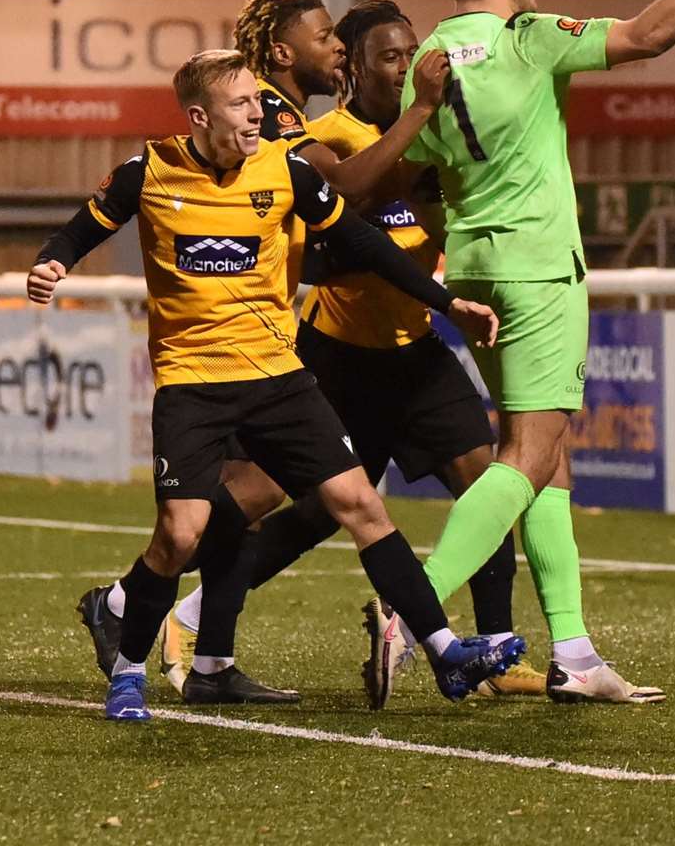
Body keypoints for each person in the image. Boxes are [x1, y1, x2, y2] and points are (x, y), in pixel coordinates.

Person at [37, 48, 524, 722]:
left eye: (260, 101)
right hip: (193, 384)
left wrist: (445, 303)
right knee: (180, 537)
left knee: (361, 506)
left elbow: (360, 241)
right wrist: (50, 264)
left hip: (279, 380)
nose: (258, 113)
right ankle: (126, 670)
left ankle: (443, 651)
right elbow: (80, 229)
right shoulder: (146, 171)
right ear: (200, 114)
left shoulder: (285, 167)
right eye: (242, 103)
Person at [391, 0, 675, 704]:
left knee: (548, 462)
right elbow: (646, 35)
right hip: (535, 267)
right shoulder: (526, 38)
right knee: (526, 456)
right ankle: (409, 613)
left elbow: (419, 170)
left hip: (472, 268)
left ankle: (575, 655)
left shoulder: (427, 56)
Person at [151, 0, 543, 706]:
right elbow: (345, 195)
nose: (404, 67)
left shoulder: (433, 136)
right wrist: (422, 118)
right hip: (339, 358)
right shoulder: (325, 135)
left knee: (489, 486)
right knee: (295, 509)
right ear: (355, 70)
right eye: (385, 57)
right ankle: (179, 612)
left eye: (409, 54)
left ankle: (493, 647)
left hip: (416, 354)